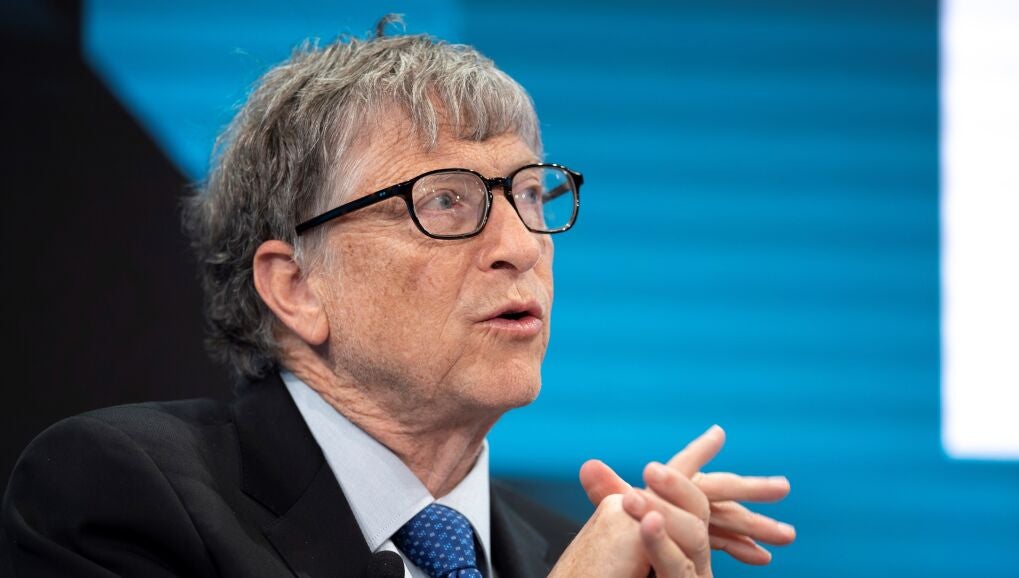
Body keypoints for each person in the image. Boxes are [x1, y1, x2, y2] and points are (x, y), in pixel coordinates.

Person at [1, 23, 794, 578]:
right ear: (296, 286)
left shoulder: (571, 551)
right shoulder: (121, 497)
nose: (521, 245)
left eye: (529, 193)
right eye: (445, 201)